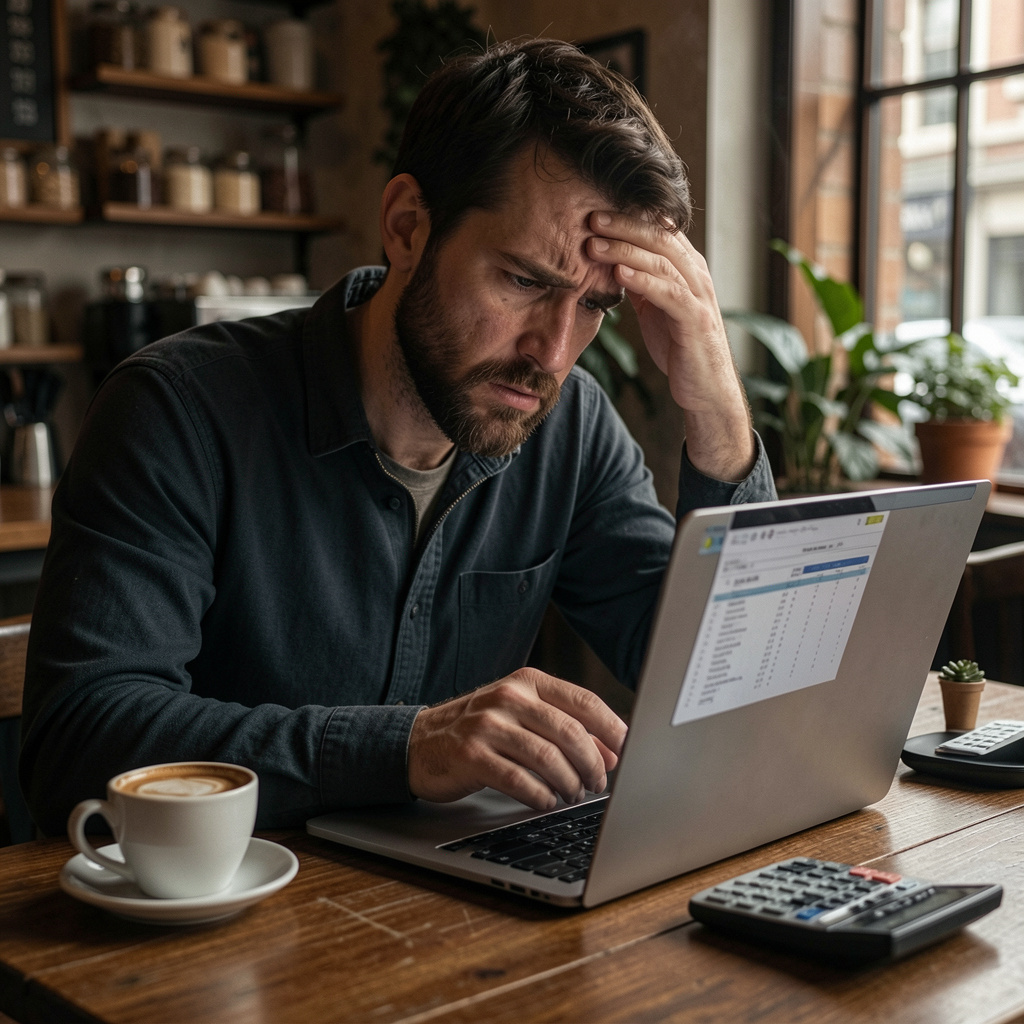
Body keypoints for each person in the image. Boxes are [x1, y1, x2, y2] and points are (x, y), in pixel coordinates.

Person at [20, 38, 776, 835]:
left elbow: (729, 684)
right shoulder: (177, 410)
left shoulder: (572, 427)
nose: (552, 353)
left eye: (595, 306)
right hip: (213, 927)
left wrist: (719, 418)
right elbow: (79, 739)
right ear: (408, 226)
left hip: (445, 926)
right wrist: (406, 749)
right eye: (524, 282)